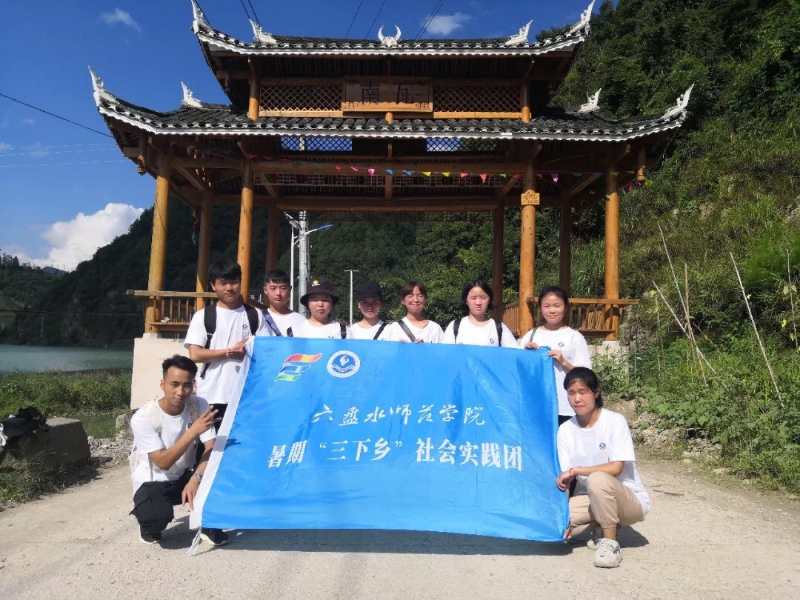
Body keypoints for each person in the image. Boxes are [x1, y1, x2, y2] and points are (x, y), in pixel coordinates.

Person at [556, 367, 650, 569]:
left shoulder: (614, 421)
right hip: (590, 498)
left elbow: (616, 468)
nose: (577, 399)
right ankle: (598, 525)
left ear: (596, 392)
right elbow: (567, 478)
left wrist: (578, 470)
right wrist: (561, 517)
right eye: (571, 393)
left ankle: (610, 543)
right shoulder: (565, 430)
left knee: (597, 479)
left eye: (583, 392)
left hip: (627, 500)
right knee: (554, 521)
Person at [129, 355, 228, 546]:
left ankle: (208, 523)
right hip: (154, 481)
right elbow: (163, 463)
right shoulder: (144, 417)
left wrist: (196, 479)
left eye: (187, 385)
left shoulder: (199, 404)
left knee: (222, 465)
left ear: (194, 385)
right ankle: (148, 524)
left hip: (185, 475)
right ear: (162, 384)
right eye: (174, 384)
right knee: (156, 519)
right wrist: (192, 432)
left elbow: (211, 447)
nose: (181, 392)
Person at [184, 260, 264, 429]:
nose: (229, 288)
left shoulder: (254, 315)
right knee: (210, 448)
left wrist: (250, 345)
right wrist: (228, 352)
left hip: (246, 395)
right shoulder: (203, 316)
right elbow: (195, 354)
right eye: (223, 283)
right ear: (213, 286)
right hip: (210, 395)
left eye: (234, 282)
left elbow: (266, 350)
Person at [519, 286, 592, 424]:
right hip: (537, 405)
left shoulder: (574, 337)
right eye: (546, 306)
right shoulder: (531, 336)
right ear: (540, 308)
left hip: (566, 406)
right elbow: (518, 370)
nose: (552, 310)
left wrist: (564, 362)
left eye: (557, 305)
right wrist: (526, 356)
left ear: (565, 307)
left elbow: (587, 375)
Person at [442, 279, 517, 348]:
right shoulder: (454, 327)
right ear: (466, 301)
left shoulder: (499, 328)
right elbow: (444, 356)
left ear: (489, 300)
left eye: (483, 298)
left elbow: (516, 354)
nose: (478, 302)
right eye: (473, 298)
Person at [288, 280, 352, 339]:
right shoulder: (295, 332)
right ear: (307, 303)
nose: (320, 304)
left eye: (325, 300)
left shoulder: (344, 332)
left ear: (332, 304)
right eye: (315, 300)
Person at [261, 269, 305, 336]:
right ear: (265, 290)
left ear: (290, 290)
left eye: (283, 288)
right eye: (273, 288)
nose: (278, 293)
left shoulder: (301, 321)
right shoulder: (258, 318)